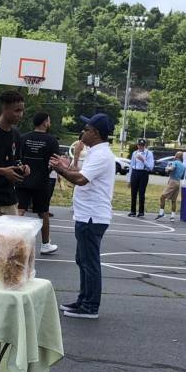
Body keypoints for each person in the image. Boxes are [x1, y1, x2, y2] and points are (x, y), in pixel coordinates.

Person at [49, 113, 115, 319]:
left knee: (89, 261)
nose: (83, 132)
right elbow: (82, 173)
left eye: (86, 129)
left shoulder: (101, 155)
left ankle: (90, 306)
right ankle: (83, 300)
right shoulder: (96, 152)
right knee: (83, 259)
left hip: (91, 216)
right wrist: (67, 165)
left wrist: (60, 170)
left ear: (95, 133)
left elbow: (81, 180)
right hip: (88, 215)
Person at [17, 112, 59, 254]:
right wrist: (47, 171)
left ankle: (12, 240)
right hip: (41, 181)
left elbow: (17, 158)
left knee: (20, 210)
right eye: (49, 121)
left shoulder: (23, 138)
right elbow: (54, 162)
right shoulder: (52, 140)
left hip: (23, 179)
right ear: (44, 122)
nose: (50, 123)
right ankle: (46, 244)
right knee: (44, 213)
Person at [155, 151, 185, 221]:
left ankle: (161, 212)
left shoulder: (174, 162)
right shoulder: (183, 166)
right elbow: (182, 177)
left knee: (162, 197)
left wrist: (167, 169)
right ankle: (172, 216)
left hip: (172, 181)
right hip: (178, 182)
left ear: (176, 156)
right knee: (173, 200)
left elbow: (171, 168)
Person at [127, 138, 154, 217]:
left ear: (145, 145)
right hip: (135, 172)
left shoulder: (149, 153)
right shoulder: (134, 153)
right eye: (139, 145)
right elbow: (131, 166)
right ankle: (133, 211)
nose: (141, 147)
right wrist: (129, 179)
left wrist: (143, 160)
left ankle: (141, 212)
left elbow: (151, 167)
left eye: (142, 145)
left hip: (144, 173)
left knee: (141, 193)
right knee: (133, 193)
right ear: (137, 145)